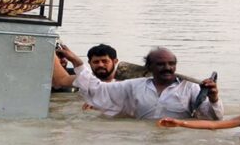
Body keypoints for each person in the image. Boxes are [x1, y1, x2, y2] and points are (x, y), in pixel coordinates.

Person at [71, 47, 223, 120]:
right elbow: (98, 90)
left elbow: (213, 119)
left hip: (178, 139)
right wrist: (78, 63)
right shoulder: (133, 86)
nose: (167, 68)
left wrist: (214, 98)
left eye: (171, 64)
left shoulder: (191, 88)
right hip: (143, 139)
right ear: (149, 67)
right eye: (161, 64)